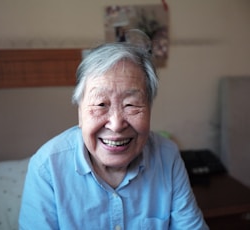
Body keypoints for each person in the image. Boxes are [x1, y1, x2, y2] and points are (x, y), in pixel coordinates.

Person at [19, 30, 208, 230]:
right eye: (101, 104)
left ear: (150, 109)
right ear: (80, 111)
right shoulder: (47, 167)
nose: (116, 124)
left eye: (131, 105)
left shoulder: (167, 156)